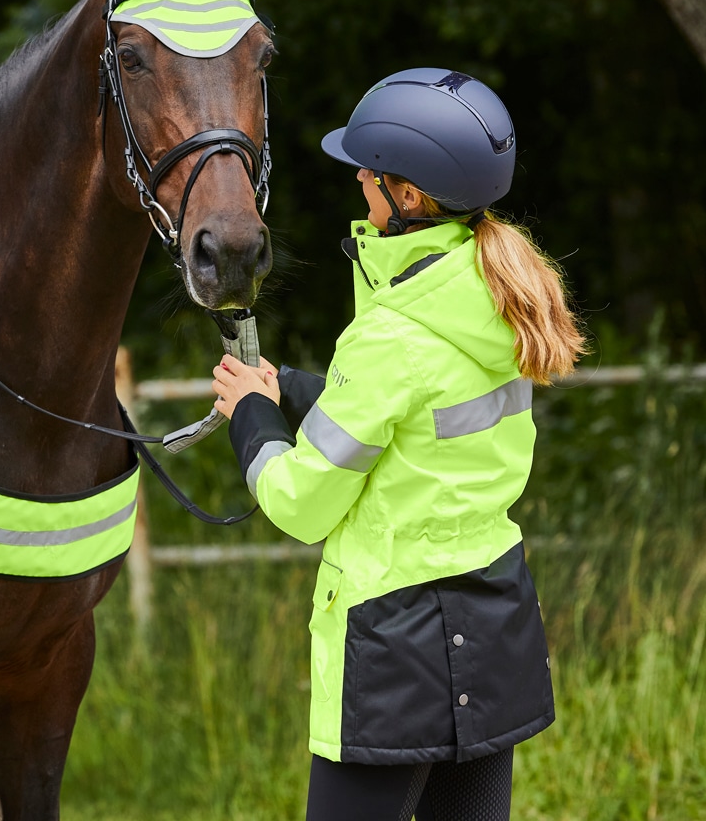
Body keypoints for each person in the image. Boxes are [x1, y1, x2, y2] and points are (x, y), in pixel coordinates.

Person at [211, 68, 586, 821]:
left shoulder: (391, 332)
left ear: (406, 197)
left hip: (393, 645)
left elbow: (301, 502)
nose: (358, 177)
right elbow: (422, 420)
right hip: (494, 613)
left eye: (370, 171)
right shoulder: (496, 290)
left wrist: (250, 417)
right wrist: (287, 384)